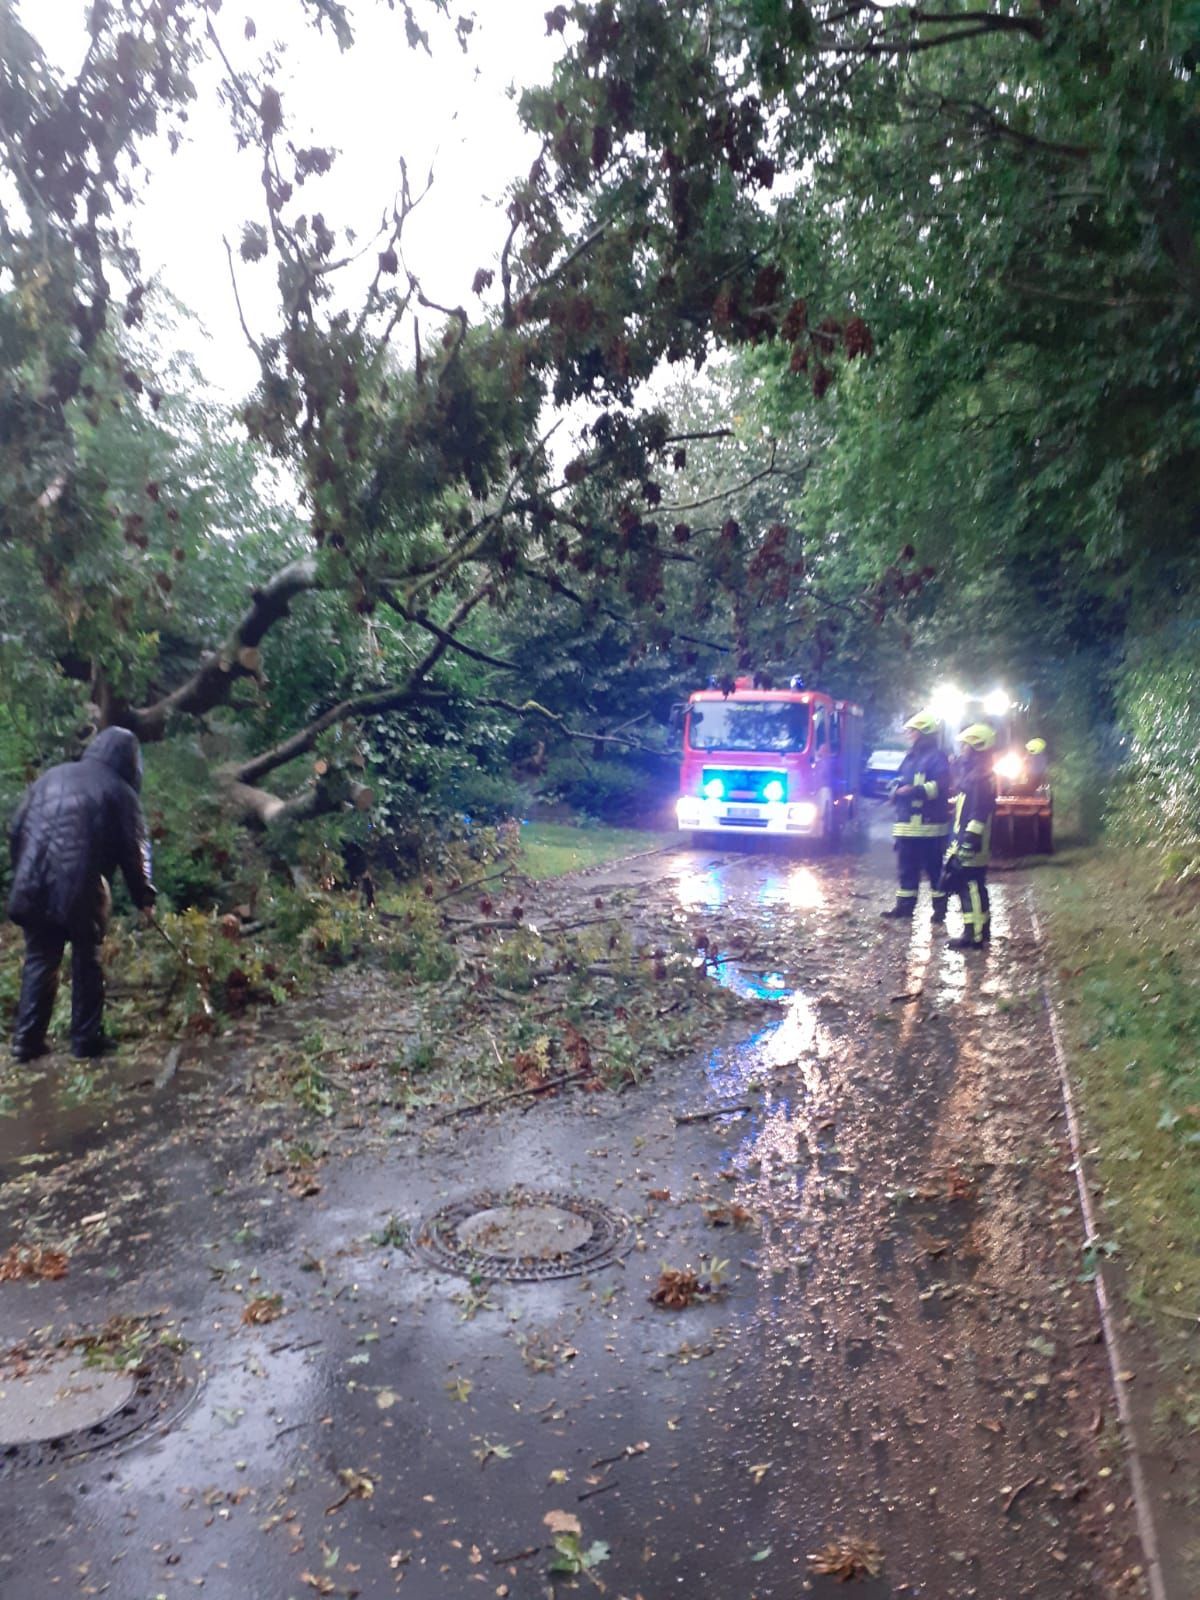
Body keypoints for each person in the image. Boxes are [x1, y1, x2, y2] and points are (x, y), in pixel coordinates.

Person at [7, 727, 157, 1062]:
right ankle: (86, 1040)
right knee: (87, 959)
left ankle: (26, 1042)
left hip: (33, 884)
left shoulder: (49, 778)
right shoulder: (120, 791)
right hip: (81, 889)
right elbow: (136, 851)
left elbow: (16, 830)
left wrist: (25, 870)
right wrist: (145, 898)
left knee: (40, 959)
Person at [881, 709, 951, 925]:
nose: (908, 735)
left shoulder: (937, 758)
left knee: (934, 871)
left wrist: (914, 791)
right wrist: (895, 790)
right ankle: (904, 909)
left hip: (930, 828)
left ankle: (940, 912)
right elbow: (899, 779)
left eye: (912, 731)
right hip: (906, 827)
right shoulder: (910, 757)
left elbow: (941, 787)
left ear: (923, 732)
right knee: (906, 871)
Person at [940, 722, 997, 951]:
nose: (962, 749)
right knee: (973, 886)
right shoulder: (976, 776)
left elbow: (978, 815)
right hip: (970, 841)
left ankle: (974, 935)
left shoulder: (981, 780)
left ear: (976, 747)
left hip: (973, 844)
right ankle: (979, 931)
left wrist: (968, 844)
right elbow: (968, 806)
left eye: (966, 746)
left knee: (970, 886)